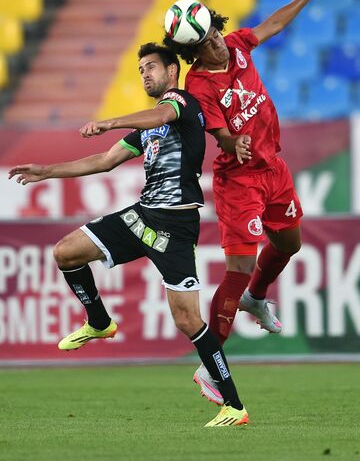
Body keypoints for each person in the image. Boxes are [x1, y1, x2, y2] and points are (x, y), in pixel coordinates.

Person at [8, 43, 248, 427]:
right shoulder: (149, 128)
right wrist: (47, 171)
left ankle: (234, 406)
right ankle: (99, 321)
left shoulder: (182, 104)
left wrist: (110, 121)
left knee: (188, 321)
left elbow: (161, 114)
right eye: (139, 70)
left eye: (151, 67)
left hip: (174, 225)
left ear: (172, 71)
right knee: (65, 253)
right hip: (141, 217)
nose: (144, 74)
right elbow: (104, 161)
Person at [163, 0, 334, 404]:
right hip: (238, 180)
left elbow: (273, 23)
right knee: (238, 266)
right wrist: (231, 141)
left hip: (274, 168)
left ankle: (257, 298)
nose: (217, 41)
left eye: (215, 31)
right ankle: (210, 365)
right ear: (194, 53)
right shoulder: (199, 84)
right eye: (206, 41)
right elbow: (217, 131)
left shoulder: (239, 44)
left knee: (289, 244)